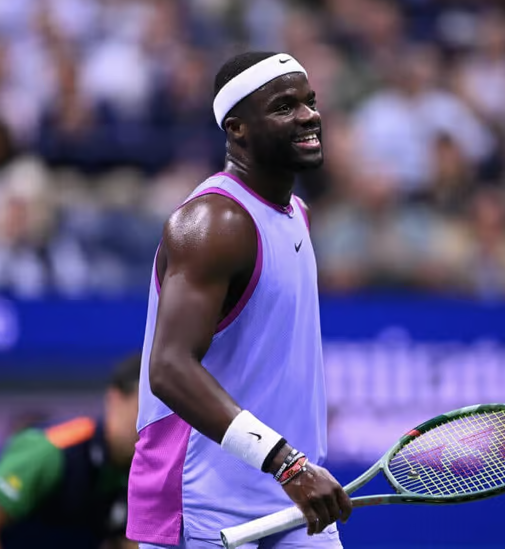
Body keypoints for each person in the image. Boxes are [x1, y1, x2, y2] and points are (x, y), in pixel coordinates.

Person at [126, 51, 352, 549]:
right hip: (203, 500)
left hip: (293, 495)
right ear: (237, 129)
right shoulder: (213, 223)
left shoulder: (298, 214)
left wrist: (295, 464)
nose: (309, 115)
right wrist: (285, 461)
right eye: (285, 106)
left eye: (310, 102)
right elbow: (168, 368)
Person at [0, 353, 141, 549]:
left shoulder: (138, 475)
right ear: (114, 400)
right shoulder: (52, 450)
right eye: (142, 410)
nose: (151, 425)